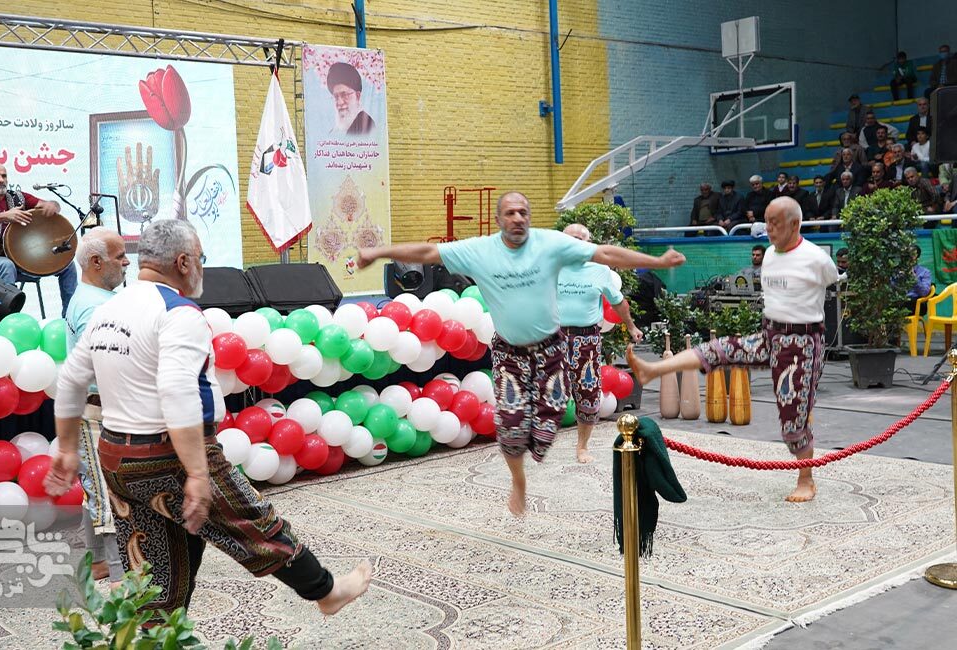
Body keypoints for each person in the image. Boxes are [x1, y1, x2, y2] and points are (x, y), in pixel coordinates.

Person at [45, 220, 371, 622]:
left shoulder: (108, 308)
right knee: (254, 524)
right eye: (201, 258)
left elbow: (70, 379)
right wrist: (198, 472)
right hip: (169, 454)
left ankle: (152, 636)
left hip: (117, 457)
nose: (201, 266)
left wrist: (66, 448)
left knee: (154, 564)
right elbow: (176, 391)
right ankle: (327, 591)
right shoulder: (177, 312)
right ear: (183, 262)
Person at [356, 191, 685, 515]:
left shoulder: (550, 244)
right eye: (510, 213)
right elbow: (428, 251)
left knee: (544, 432)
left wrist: (656, 261)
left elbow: (605, 253)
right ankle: (518, 481)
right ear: (499, 219)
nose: (517, 218)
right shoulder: (480, 250)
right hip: (509, 353)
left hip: (551, 349)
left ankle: (552, 442)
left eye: (523, 212)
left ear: (529, 217)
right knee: (511, 430)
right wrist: (379, 252)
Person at [628, 197, 839, 503]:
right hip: (770, 334)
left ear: (795, 224)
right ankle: (653, 369)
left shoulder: (816, 259)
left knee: (792, 419)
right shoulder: (769, 254)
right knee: (717, 349)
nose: (769, 229)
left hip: (801, 344)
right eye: (767, 221)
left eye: (776, 223)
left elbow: (830, 282)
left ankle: (806, 478)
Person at [65, 228, 130, 587]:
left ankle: (100, 563)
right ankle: (121, 577)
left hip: (95, 408)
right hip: (97, 411)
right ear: (95, 262)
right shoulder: (95, 306)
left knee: (96, 486)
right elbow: (107, 365)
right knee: (107, 493)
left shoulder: (97, 298)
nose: (127, 262)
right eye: (120, 257)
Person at [556, 223, 643, 464]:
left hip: (587, 340)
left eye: (582, 239)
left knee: (588, 393)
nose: (577, 243)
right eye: (572, 239)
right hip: (553, 338)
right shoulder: (550, 267)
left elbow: (618, 302)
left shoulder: (599, 270)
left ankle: (582, 446)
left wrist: (631, 326)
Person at [0, 162, 77, 316]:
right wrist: (4, 216)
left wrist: (53, 205)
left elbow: (47, 205)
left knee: (67, 264)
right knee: (6, 265)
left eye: (4, 176)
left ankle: (69, 318)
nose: (1, 180)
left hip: (22, 258)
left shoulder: (19, 197)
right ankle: (8, 320)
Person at [326, 61, 374, 136]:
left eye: (344, 95)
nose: (340, 102)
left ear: (357, 96)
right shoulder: (334, 132)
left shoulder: (366, 125)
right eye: (336, 96)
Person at [906, 245, 932, 314]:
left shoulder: (925, 272)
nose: (909, 257)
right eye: (907, 254)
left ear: (917, 257)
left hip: (916, 302)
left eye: (913, 254)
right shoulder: (898, 271)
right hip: (900, 301)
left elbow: (924, 292)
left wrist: (914, 278)